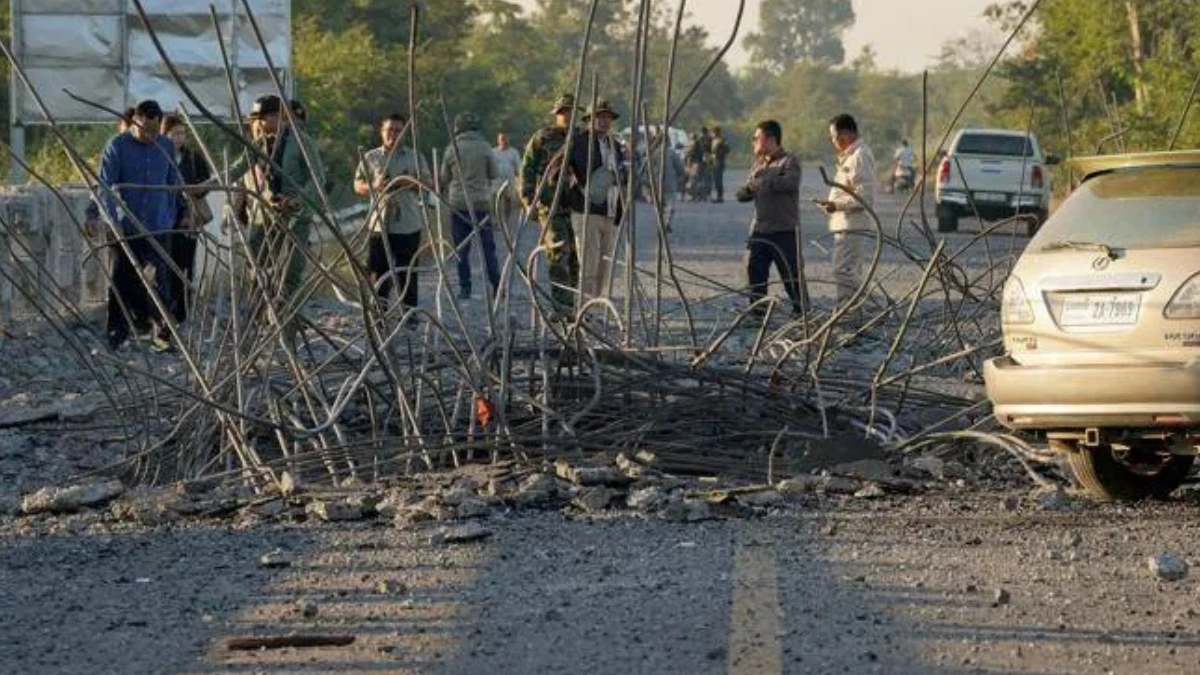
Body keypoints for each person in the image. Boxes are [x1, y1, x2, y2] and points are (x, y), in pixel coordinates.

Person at [87, 99, 185, 351]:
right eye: (146, 130)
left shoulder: (165, 146)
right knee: (121, 281)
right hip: (126, 228)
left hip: (159, 226)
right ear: (135, 121)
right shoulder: (117, 147)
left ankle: (162, 337)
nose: (150, 136)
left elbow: (174, 183)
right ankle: (117, 335)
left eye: (155, 130)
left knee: (160, 281)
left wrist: (179, 213)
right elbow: (105, 187)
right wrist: (109, 220)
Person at [230, 94, 328, 335]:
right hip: (263, 217)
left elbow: (318, 180)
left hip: (295, 218)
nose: (256, 123)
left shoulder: (302, 142)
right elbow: (237, 169)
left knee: (290, 275)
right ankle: (260, 321)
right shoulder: (258, 144)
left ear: (275, 117)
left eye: (259, 118)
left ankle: (287, 330)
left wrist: (294, 202)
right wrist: (204, 185)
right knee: (257, 268)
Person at [354, 112, 430, 312]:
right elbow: (357, 185)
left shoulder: (415, 157)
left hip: (408, 224)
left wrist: (411, 182)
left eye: (398, 131)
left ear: (404, 133)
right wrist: (374, 185)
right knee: (378, 274)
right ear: (382, 132)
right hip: (379, 226)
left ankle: (409, 315)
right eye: (389, 130)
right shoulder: (371, 157)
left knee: (407, 273)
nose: (393, 135)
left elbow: (429, 185)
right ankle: (380, 314)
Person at [735, 119, 806, 319]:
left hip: (784, 229)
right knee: (754, 274)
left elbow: (790, 184)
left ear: (770, 140)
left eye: (756, 138)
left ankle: (802, 314)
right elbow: (743, 194)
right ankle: (758, 313)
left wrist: (766, 176)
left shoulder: (790, 161)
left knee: (791, 276)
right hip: (759, 229)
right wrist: (752, 185)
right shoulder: (758, 163)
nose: (754, 142)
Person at [520, 93, 580, 319]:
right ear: (557, 115)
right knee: (558, 254)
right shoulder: (542, 138)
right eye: (563, 112)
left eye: (571, 111)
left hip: (576, 206)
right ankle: (560, 306)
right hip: (550, 205)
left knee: (576, 258)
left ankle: (573, 305)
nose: (567, 115)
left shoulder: (583, 138)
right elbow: (527, 168)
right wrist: (528, 200)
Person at [566, 99, 624, 306]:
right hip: (586, 209)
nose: (604, 121)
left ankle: (597, 304)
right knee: (588, 263)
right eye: (599, 117)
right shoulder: (578, 142)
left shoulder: (614, 144)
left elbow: (620, 174)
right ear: (589, 120)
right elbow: (563, 169)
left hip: (609, 209)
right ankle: (583, 305)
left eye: (607, 117)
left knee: (605, 263)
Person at [817, 113, 876, 311]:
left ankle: (874, 305)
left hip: (853, 223)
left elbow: (864, 196)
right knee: (851, 271)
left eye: (833, 137)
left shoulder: (860, 156)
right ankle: (849, 312)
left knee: (841, 270)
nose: (833, 142)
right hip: (845, 223)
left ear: (844, 134)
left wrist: (837, 205)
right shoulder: (850, 156)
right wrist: (832, 204)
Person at [160, 113, 213, 327]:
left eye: (183, 133)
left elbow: (204, 185)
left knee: (185, 266)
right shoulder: (158, 157)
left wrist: (191, 205)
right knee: (165, 266)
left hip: (188, 221)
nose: (179, 138)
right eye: (175, 134)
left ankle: (182, 313)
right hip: (164, 219)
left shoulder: (193, 158)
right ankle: (165, 312)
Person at [441, 112, 500, 300]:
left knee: (461, 250)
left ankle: (465, 288)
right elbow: (493, 173)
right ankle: (497, 286)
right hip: (481, 203)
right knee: (488, 248)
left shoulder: (452, 149)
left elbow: (444, 178)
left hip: (458, 204)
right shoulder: (485, 147)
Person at [492, 131, 522, 229]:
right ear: (498, 140)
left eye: (505, 139)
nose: (503, 141)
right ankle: (497, 220)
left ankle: (506, 221)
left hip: (509, 180)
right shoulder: (493, 152)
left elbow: (518, 167)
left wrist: (520, 179)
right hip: (497, 181)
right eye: (501, 139)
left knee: (508, 200)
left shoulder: (514, 152)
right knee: (497, 201)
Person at [710, 126, 730, 203]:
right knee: (715, 180)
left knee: (718, 180)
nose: (712, 134)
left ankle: (720, 197)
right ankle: (718, 196)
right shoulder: (713, 140)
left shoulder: (722, 140)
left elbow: (727, 149)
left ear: (716, 132)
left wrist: (718, 153)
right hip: (714, 162)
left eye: (713, 132)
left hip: (719, 161)